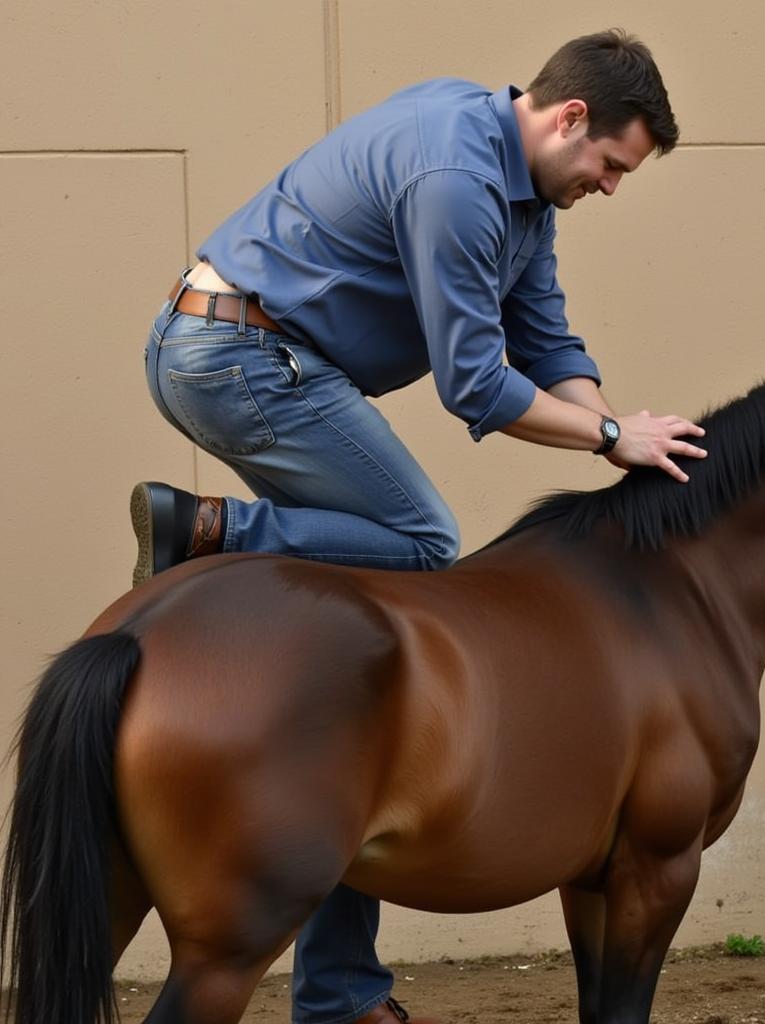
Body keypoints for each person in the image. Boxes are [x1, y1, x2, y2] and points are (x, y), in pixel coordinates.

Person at [132, 28, 706, 1024]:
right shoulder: (457, 177)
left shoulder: (519, 184)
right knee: (425, 543)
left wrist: (623, 445)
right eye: (611, 165)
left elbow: (546, 338)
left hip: (249, 352)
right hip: (236, 358)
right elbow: (476, 384)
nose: (611, 187)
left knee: (356, 680)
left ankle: (343, 994)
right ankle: (211, 529)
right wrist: (606, 434)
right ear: (570, 119)